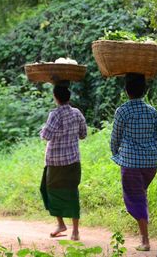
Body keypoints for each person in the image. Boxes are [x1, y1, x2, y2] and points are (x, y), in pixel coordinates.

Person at [110, 73, 157, 251]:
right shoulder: (152, 111)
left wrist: (116, 154)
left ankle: (145, 241)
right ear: (144, 91)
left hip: (131, 163)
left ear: (126, 91)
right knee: (140, 194)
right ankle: (144, 231)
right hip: (150, 164)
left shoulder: (122, 111)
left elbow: (115, 138)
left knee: (136, 197)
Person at [40, 85, 87, 241]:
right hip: (73, 160)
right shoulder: (77, 113)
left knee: (50, 191)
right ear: (69, 97)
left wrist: (43, 129)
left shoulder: (55, 114)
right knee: (72, 192)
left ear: (55, 97)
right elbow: (83, 135)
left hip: (55, 162)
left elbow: (46, 135)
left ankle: (60, 224)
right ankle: (75, 232)